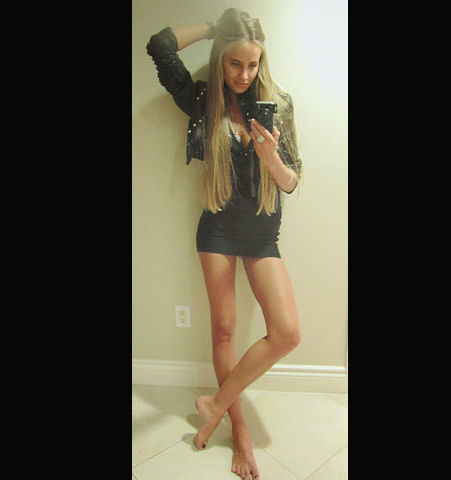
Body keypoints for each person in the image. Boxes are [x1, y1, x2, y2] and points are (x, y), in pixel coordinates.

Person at [147, 8, 302, 480]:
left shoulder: (278, 104)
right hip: (216, 227)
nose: (244, 74)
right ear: (220, 60)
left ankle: (214, 404)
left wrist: (271, 157)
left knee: (287, 333)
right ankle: (241, 433)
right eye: (235, 63)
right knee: (224, 332)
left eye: (253, 64)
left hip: (262, 231)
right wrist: (218, 28)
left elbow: (292, 181)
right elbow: (160, 46)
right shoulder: (202, 100)